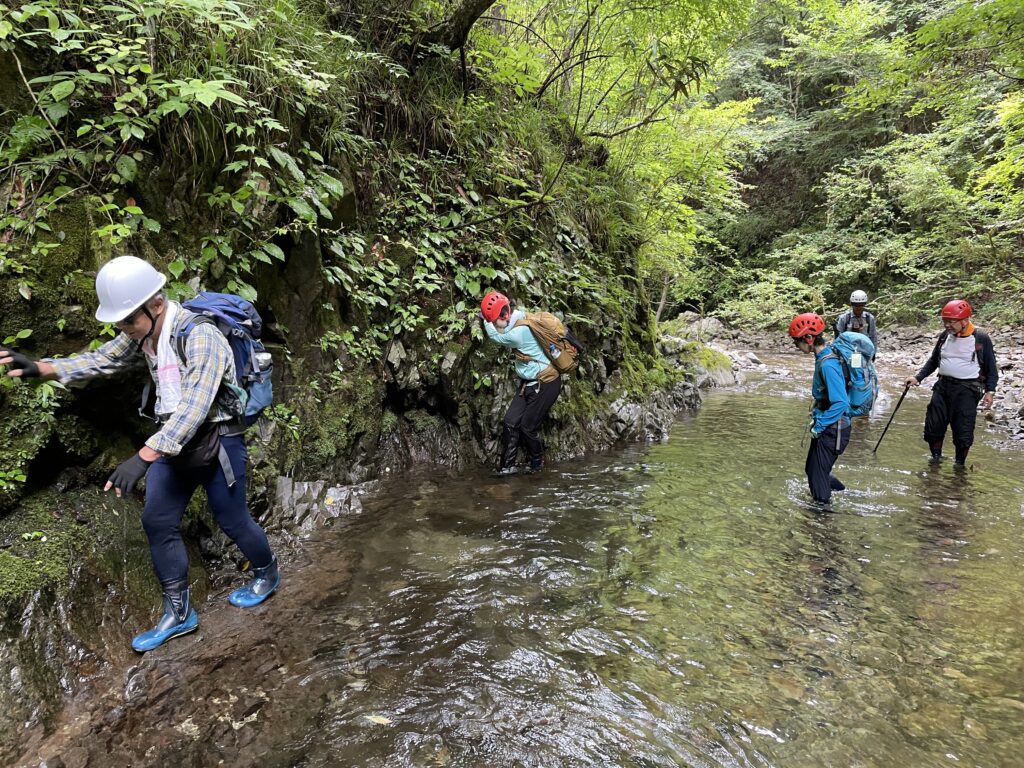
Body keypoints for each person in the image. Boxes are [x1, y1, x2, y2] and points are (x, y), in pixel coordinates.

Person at [0, 255, 280, 652]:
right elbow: (102, 359)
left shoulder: (201, 336)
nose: (124, 329)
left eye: (128, 321)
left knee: (232, 520)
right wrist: (44, 368)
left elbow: (195, 407)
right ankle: (179, 614)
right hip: (170, 442)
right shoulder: (142, 333)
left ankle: (267, 574)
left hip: (218, 441)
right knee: (157, 520)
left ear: (157, 305)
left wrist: (144, 455)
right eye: (120, 323)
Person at [904, 299, 997, 467]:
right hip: (942, 386)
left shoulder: (981, 338)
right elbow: (934, 360)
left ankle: (959, 466)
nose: (947, 325)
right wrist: (918, 378)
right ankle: (935, 460)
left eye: (951, 321)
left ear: (965, 320)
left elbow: (991, 368)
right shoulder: (945, 336)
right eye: (944, 321)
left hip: (967, 390)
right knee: (933, 426)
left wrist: (990, 392)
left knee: (963, 430)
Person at [479, 290, 562, 474]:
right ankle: (507, 468)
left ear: (505, 315)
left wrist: (485, 320)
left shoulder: (518, 333)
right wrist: (489, 315)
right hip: (528, 383)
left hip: (547, 383)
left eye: (495, 321)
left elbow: (495, 336)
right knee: (510, 422)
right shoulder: (519, 315)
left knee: (527, 427)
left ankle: (537, 463)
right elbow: (501, 327)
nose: (495, 325)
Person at [790, 312, 851, 505]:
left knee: (818, 482)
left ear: (809, 338)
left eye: (797, 341)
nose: (796, 346)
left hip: (833, 430)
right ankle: (845, 494)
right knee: (812, 470)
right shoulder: (824, 356)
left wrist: (819, 425)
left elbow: (841, 403)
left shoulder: (828, 365)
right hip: (829, 426)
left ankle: (823, 515)